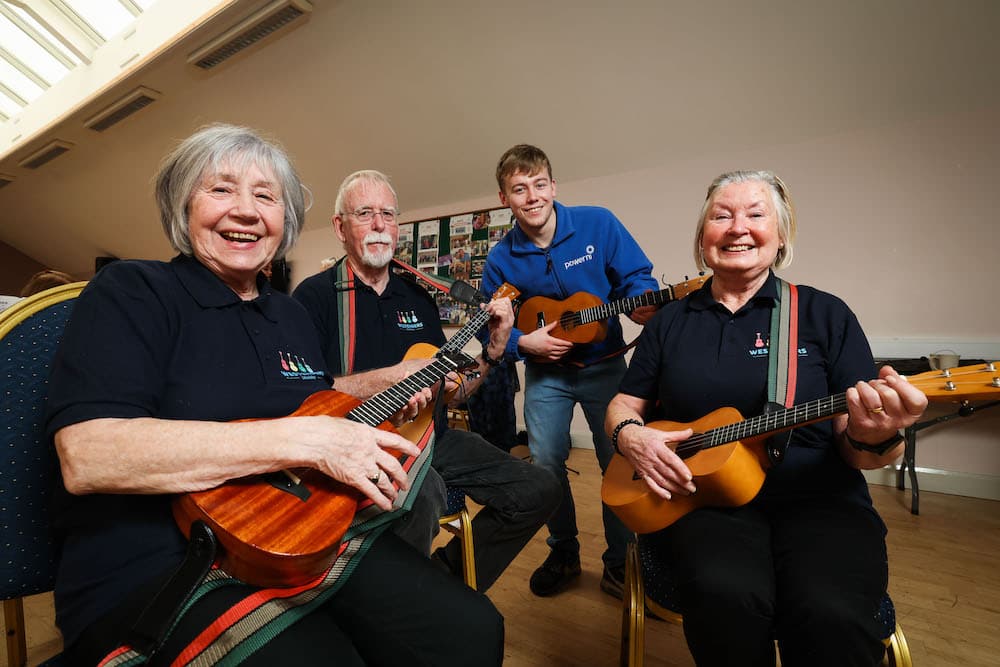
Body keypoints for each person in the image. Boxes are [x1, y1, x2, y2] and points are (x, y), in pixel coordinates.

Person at [44, 125, 503, 666]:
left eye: (265, 196)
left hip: (300, 536)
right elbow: (89, 455)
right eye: (220, 190)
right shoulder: (133, 291)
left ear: (283, 220)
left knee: (474, 631)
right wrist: (304, 439)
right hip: (159, 564)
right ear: (181, 205)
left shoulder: (287, 312)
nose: (246, 210)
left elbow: (318, 401)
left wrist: (383, 399)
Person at [604, 170, 928, 666]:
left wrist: (876, 433)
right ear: (702, 236)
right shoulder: (670, 322)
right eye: (721, 216)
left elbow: (862, 452)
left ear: (781, 237)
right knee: (725, 597)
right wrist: (631, 438)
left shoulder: (825, 314)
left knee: (832, 612)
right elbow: (624, 404)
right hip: (706, 503)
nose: (738, 228)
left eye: (756, 215)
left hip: (820, 499)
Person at [292, 169, 560, 593]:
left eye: (388, 214)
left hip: (433, 437)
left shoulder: (418, 297)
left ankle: (438, 587)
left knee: (540, 487)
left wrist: (491, 353)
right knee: (424, 491)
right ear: (341, 228)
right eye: (365, 213)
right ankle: (397, 600)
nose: (380, 225)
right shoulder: (314, 297)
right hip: (360, 444)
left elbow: (454, 389)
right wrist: (393, 378)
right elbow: (303, 395)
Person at [480, 144, 660, 599]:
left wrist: (643, 302)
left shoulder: (598, 223)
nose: (532, 196)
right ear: (505, 199)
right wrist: (525, 344)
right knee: (544, 464)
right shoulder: (501, 260)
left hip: (605, 366)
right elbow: (490, 330)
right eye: (519, 189)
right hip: (546, 375)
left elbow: (638, 278)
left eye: (539, 184)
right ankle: (563, 551)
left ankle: (620, 560)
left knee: (619, 459)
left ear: (553, 186)